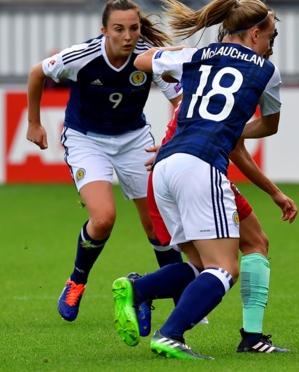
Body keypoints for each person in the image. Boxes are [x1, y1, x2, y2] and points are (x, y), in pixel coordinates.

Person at [111, 0, 285, 360]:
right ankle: (171, 334)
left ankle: (138, 289)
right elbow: (271, 125)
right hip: (201, 166)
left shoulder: (196, 55)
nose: (271, 43)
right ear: (255, 34)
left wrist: (183, 53)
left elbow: (142, 61)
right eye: (271, 35)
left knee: (200, 267)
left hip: (165, 165)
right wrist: (229, 125)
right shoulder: (267, 69)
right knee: (225, 268)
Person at [26, 0, 185, 322]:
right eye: (119, 29)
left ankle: (154, 293)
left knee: (158, 224)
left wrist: (176, 138)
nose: (127, 36)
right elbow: (37, 72)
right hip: (86, 139)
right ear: (104, 31)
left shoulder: (148, 57)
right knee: (103, 219)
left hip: (134, 139)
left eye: (133, 28)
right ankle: (77, 281)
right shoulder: (82, 56)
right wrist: (33, 122)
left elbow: (180, 100)